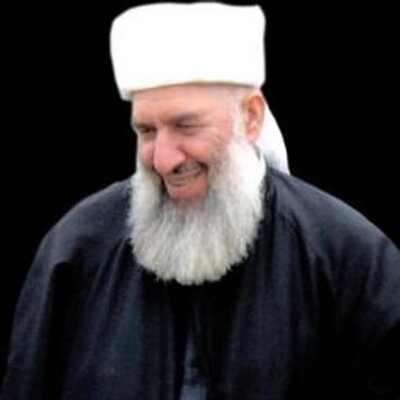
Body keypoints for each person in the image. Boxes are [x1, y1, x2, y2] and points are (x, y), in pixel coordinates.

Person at [1, 3, 399, 399]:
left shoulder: (348, 258)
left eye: (186, 126)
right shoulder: (75, 251)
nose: (163, 160)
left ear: (251, 117)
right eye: (147, 131)